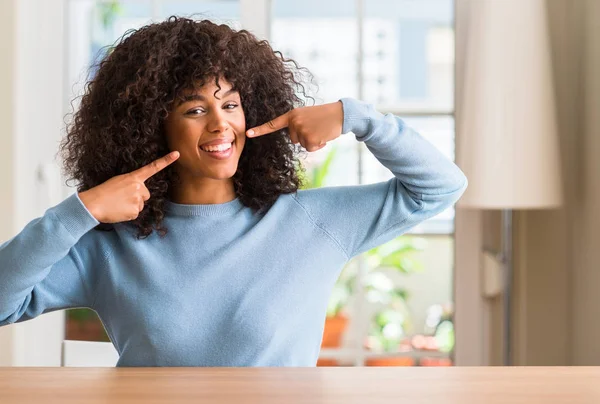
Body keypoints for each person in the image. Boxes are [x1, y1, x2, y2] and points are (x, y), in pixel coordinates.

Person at [0, 17, 467, 366]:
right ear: (149, 128)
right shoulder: (108, 246)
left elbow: (440, 188)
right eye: (194, 110)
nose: (221, 123)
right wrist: (80, 211)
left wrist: (359, 118)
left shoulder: (311, 221)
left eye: (230, 105)